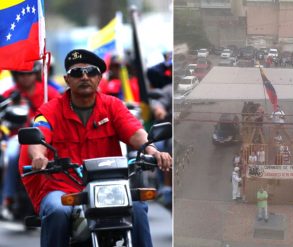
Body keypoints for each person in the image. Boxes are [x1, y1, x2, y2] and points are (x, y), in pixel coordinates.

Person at [18, 49, 172, 247]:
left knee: (138, 207)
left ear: (99, 78)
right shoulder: (49, 110)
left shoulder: (113, 106)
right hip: (63, 187)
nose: (84, 77)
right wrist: (39, 156)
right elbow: (38, 137)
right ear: (67, 79)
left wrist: (154, 152)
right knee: (57, 210)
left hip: (110, 187)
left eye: (91, 72)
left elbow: (135, 132)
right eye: (76, 73)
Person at [1, 63, 60, 220]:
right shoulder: (10, 94)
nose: (25, 78)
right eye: (21, 74)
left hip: (46, 138)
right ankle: (8, 198)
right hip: (17, 137)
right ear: (16, 75)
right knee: (12, 156)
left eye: (29, 74)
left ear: (36, 74)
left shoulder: (49, 92)